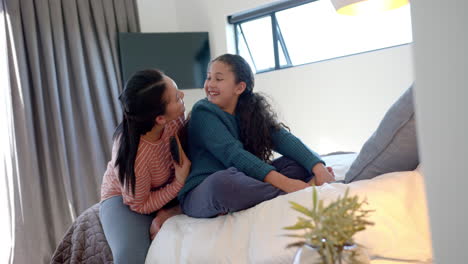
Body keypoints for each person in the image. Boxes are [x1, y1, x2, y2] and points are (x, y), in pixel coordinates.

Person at [178, 54, 335, 218]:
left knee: (299, 163)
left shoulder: (249, 111)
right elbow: (233, 154)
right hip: (205, 190)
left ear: (239, 88)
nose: (210, 84)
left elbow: (284, 139)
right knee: (224, 182)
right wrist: (289, 184)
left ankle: (259, 195)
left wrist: (319, 167)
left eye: (218, 79)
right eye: (209, 77)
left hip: (244, 181)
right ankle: (295, 190)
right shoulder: (203, 111)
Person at [99, 69, 191, 263]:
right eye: (176, 97)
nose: (182, 95)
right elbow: (140, 204)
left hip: (164, 187)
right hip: (129, 200)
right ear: (159, 119)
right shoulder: (135, 158)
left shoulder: (174, 121)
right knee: (130, 257)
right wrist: (179, 183)